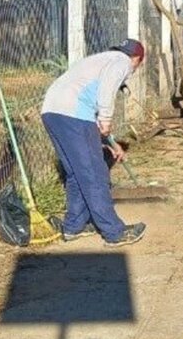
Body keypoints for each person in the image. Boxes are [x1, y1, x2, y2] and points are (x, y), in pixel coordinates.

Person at [40, 40, 147, 246]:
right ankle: (114, 232)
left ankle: (74, 226)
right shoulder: (122, 62)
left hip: (52, 111)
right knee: (95, 173)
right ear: (137, 59)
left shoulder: (100, 59)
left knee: (75, 172)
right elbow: (105, 94)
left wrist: (113, 145)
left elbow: (92, 110)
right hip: (73, 113)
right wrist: (106, 118)